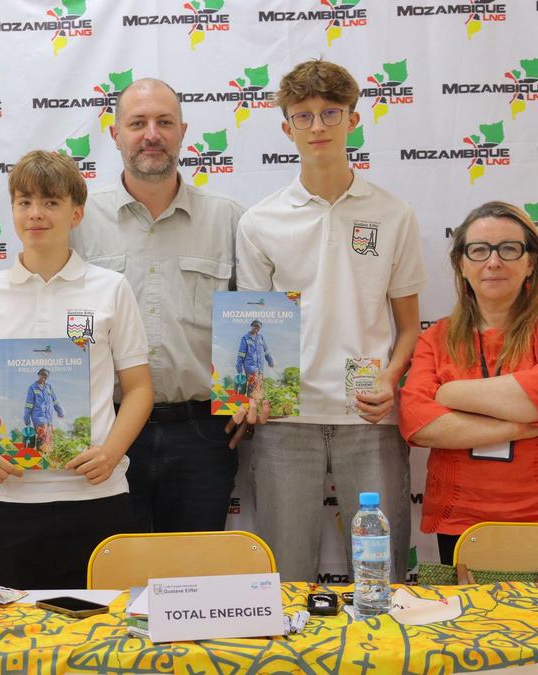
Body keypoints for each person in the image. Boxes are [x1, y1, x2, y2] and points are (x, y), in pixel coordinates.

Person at [235, 59, 425, 583]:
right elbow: (253, 325)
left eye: (330, 113)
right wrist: (253, 393)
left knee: (381, 580)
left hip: (369, 416)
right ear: (287, 128)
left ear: (353, 120)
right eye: (304, 116)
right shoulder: (259, 221)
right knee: (285, 579)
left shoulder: (394, 214)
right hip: (284, 419)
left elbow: (410, 325)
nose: (317, 126)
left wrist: (390, 378)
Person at [0, 150, 153, 589]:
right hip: (8, 500)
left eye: (50, 202)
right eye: (24, 202)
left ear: (76, 213)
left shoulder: (111, 289)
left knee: (101, 625)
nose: (36, 214)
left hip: (96, 496)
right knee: (14, 628)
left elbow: (139, 388)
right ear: (12, 210)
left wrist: (112, 451)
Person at [71, 77, 244, 533]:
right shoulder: (78, 221)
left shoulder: (227, 218)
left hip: (202, 435)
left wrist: (250, 400)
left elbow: (254, 319)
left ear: (183, 132)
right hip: (106, 429)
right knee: (116, 566)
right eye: (138, 123)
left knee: (194, 569)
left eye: (164, 122)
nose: (152, 134)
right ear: (115, 134)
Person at [399, 201, 538, 564]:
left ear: (531, 262)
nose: (494, 261)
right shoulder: (437, 338)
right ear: (461, 264)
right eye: (479, 250)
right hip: (465, 525)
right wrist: (519, 425)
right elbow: (418, 422)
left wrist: (450, 393)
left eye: (509, 249)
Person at [24, 368, 64, 454]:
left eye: (45, 377)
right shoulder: (32, 388)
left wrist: (60, 412)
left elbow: (55, 400)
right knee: (42, 437)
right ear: (39, 375)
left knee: (48, 439)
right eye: (42, 376)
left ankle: (46, 458)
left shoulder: (49, 387)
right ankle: (41, 456)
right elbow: (29, 404)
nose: (43, 378)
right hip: (39, 418)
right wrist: (26, 418)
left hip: (49, 419)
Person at [236, 320, 274, 399]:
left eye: (258, 327)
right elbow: (241, 354)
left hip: (260, 369)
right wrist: (239, 366)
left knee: (259, 388)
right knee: (253, 389)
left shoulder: (261, 338)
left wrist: (270, 360)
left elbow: (266, 350)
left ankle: (257, 405)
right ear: (252, 326)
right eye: (255, 326)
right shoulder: (245, 338)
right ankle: (251, 403)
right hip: (250, 368)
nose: (256, 328)